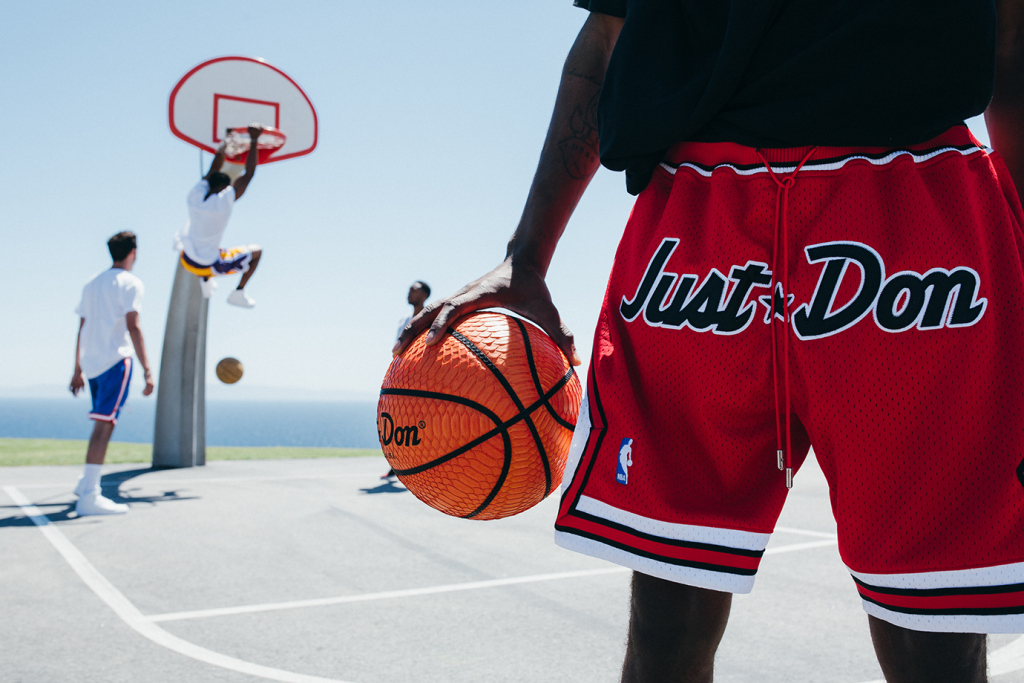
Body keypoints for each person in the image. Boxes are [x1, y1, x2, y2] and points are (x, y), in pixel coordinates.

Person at [395, 2, 1024, 680]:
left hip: (908, 203)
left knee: (936, 632)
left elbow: (1011, 34)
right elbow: (609, 34)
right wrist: (527, 257)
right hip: (708, 222)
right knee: (666, 621)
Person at [70, 232, 154, 516]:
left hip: (92, 365)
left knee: (102, 423)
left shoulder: (91, 284)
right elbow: (134, 326)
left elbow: (82, 328)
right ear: (133, 252)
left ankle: (86, 483)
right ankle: (89, 495)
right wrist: (148, 370)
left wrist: (77, 369)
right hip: (116, 361)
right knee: (104, 426)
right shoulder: (131, 283)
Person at [176, 124, 264, 308]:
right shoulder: (223, 203)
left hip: (186, 258)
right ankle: (238, 292)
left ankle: (206, 281)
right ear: (224, 188)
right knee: (257, 252)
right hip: (206, 264)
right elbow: (248, 174)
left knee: (212, 245)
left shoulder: (194, 196)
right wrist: (254, 139)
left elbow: (214, 168)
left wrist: (227, 140)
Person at [382, 281, 431, 480]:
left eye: (414, 290)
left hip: (422, 378)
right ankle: (397, 463)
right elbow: (397, 349)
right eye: (409, 290)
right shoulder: (404, 320)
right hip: (402, 377)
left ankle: (421, 463)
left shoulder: (430, 317)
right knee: (395, 422)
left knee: (421, 423)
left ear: (425, 295)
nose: (409, 293)